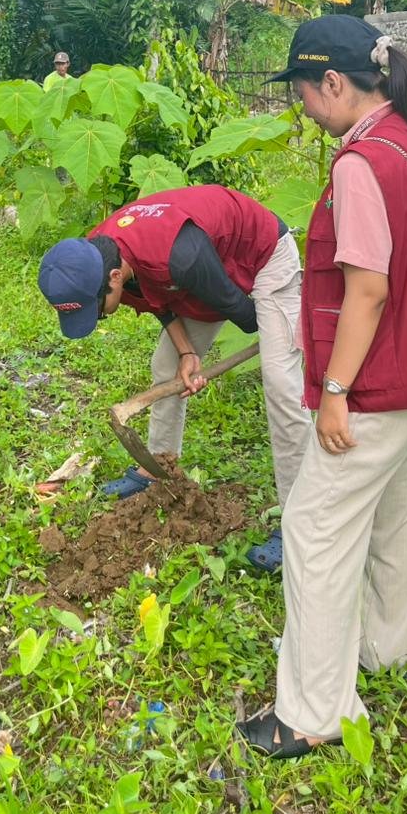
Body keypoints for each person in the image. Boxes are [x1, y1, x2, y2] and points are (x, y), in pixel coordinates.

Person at [238, 14, 407, 759]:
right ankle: (386, 646)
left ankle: (314, 711)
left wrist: (332, 390)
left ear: (332, 83)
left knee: (315, 530)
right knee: (396, 511)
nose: (299, 107)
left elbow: (366, 291)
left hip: (376, 384)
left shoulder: (362, 164)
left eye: (300, 91)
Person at [38, 186, 313, 570]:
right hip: (200, 278)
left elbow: (240, 311)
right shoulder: (93, 257)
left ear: (114, 278)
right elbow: (156, 299)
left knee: (282, 387)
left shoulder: (179, 257)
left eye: (96, 310)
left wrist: (280, 334)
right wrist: (187, 353)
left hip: (259, 258)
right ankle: (158, 467)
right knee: (166, 367)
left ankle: (303, 524)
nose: (97, 317)